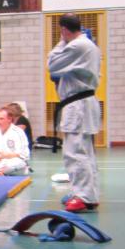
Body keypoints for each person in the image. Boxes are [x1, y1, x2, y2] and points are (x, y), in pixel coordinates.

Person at [47, 15, 101, 212]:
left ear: (64, 29)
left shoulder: (78, 46)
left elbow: (52, 64)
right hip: (81, 103)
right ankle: (89, 194)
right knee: (85, 152)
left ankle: (83, 196)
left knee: (75, 152)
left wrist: (62, 41)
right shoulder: (87, 46)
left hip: (78, 105)